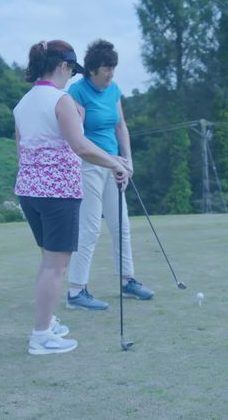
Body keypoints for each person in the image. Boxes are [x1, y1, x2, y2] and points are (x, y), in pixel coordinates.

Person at [14, 40, 130, 355]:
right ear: (63, 67)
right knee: (56, 266)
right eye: (72, 70)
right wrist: (115, 162)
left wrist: (110, 160)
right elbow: (80, 146)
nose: (71, 77)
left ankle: (46, 321)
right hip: (58, 194)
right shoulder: (61, 99)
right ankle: (41, 336)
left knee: (49, 262)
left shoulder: (23, 103)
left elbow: (21, 152)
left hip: (29, 192)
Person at [66, 40, 155, 311]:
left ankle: (127, 280)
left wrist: (127, 162)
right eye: (106, 69)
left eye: (113, 68)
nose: (111, 74)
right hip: (88, 165)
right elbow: (78, 136)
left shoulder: (114, 89)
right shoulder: (77, 91)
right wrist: (111, 161)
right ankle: (76, 291)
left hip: (114, 164)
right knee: (90, 227)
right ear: (92, 69)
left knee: (121, 225)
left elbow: (120, 126)